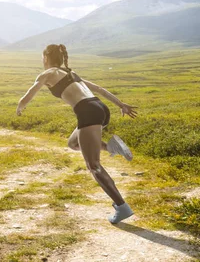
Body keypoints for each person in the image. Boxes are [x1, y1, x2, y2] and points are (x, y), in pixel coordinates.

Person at [16, 44, 138, 224]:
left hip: (87, 111)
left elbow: (30, 92)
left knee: (94, 165)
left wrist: (20, 106)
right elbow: (100, 90)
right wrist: (121, 105)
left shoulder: (47, 74)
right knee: (73, 143)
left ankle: (122, 207)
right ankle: (111, 147)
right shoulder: (72, 74)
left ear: (46, 58)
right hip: (100, 108)